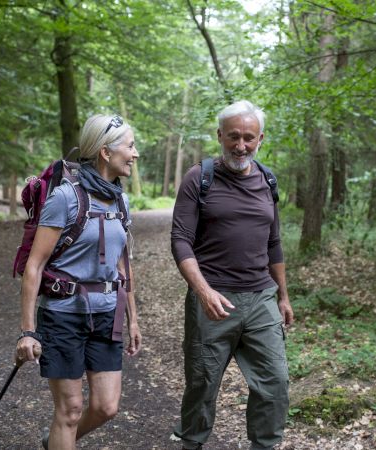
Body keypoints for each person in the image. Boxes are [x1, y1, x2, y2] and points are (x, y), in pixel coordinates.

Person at [171, 100, 295, 450]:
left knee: (275, 384)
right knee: (202, 383)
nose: (241, 146)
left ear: (260, 139)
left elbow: (274, 243)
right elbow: (180, 241)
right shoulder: (200, 178)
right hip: (213, 300)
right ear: (220, 136)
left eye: (249, 138)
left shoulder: (268, 180)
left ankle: (265, 445)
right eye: (234, 137)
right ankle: (191, 443)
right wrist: (203, 291)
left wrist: (283, 296)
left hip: (260, 299)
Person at [16, 114, 142, 450]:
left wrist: (133, 318)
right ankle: (63, 434)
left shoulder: (121, 200)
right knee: (69, 410)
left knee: (106, 407)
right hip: (63, 316)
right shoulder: (65, 198)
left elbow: (121, 263)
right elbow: (35, 266)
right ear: (105, 151)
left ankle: (56, 441)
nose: (135, 153)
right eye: (130, 146)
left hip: (106, 315)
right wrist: (28, 331)